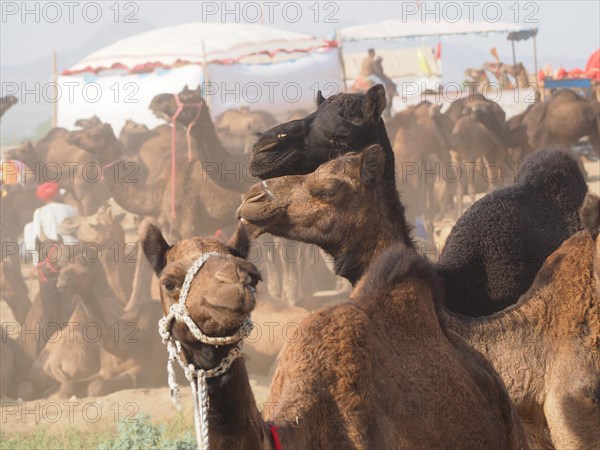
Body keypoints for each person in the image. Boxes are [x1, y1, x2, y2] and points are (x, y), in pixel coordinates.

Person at [23, 181, 78, 263]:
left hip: (53, 251)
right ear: (56, 195)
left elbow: (38, 237)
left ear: (42, 197)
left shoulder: (39, 212)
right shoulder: (69, 208)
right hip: (73, 249)